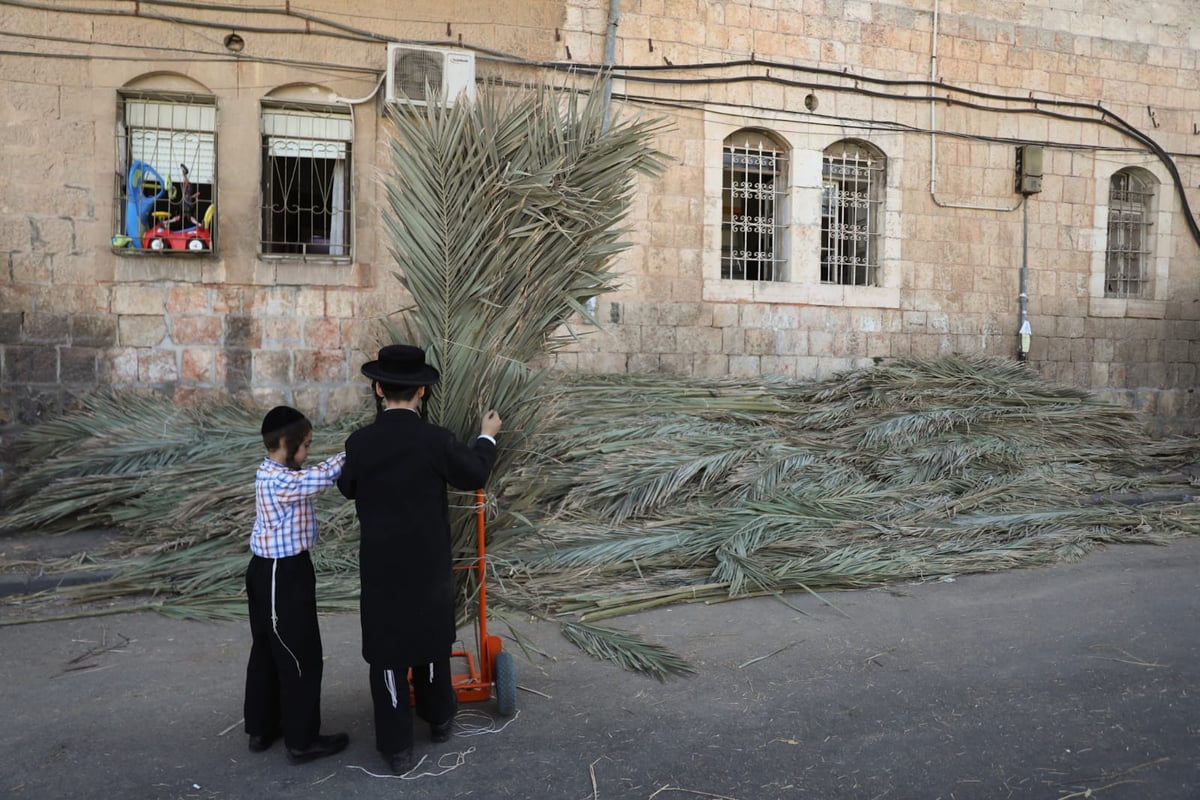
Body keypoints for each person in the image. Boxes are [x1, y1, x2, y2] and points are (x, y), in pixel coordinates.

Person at [337, 344, 502, 775]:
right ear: (422, 393)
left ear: (377, 388)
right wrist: (487, 436)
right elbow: (474, 474)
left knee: (388, 654)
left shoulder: (360, 443)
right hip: (428, 566)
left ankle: (397, 748)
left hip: (381, 567)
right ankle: (441, 719)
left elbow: (348, 486)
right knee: (430, 643)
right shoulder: (436, 440)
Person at [243, 405, 350, 765]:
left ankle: (262, 727)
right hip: (281, 575)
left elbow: (312, 473)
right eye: (305, 445)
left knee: (268, 651)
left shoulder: (273, 471)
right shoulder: (279, 480)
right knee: (298, 654)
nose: (308, 453)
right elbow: (320, 479)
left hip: (270, 571)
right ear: (286, 444)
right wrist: (356, 449)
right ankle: (302, 740)